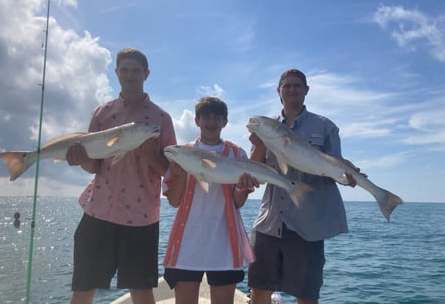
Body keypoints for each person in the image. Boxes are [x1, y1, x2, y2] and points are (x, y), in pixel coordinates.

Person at [65, 48, 176, 304]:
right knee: (83, 288)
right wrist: (80, 159)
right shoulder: (102, 113)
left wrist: (150, 156)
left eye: (136, 70)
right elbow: (94, 166)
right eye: (124, 70)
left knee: (142, 291)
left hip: (141, 219)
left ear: (146, 74)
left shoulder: (161, 119)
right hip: (98, 211)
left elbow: (170, 172)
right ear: (116, 73)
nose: (130, 75)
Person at [247, 69, 358, 304]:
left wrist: (344, 176)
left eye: (297, 85)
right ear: (279, 91)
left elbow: (334, 169)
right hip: (269, 221)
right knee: (259, 287)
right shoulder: (267, 126)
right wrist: (258, 145)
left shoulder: (326, 126)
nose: (292, 89)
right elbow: (255, 172)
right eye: (286, 85)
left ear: (306, 91)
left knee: (306, 294)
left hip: (308, 225)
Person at [162, 96, 259, 304]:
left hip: (224, 244)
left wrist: (243, 186)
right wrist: (179, 176)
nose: (211, 122)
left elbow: (238, 202)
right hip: (187, 243)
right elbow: (174, 201)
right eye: (206, 117)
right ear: (196, 121)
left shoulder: (237, 153)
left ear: (225, 122)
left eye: (217, 118)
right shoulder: (183, 152)